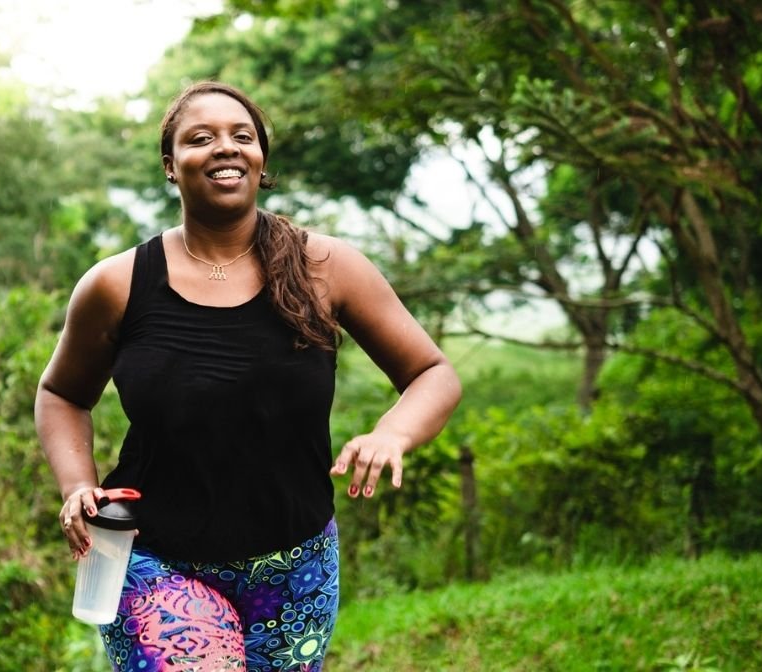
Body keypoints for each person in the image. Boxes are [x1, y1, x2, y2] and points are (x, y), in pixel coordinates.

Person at [35, 81, 462, 672]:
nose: (225, 148)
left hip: (296, 565)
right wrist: (76, 484)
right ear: (170, 166)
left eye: (242, 136)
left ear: (262, 161)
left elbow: (432, 373)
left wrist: (392, 433)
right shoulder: (117, 284)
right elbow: (61, 393)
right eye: (201, 138)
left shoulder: (326, 268)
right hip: (152, 557)